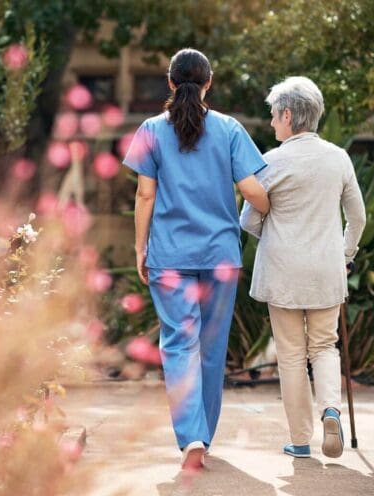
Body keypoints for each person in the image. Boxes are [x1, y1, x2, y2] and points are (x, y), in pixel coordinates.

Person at [123, 48, 270, 470]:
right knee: (211, 346)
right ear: (209, 82)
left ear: (170, 83)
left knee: (178, 344)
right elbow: (251, 188)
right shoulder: (229, 128)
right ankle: (202, 433)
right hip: (221, 255)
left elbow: (145, 194)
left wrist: (141, 248)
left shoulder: (151, 129)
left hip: (169, 255)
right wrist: (272, 209)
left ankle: (192, 436)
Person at [240, 76, 366, 459]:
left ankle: (300, 440)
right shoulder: (338, 157)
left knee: (292, 355)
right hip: (326, 270)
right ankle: (331, 409)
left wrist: (273, 234)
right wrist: (345, 253)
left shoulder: (270, 163)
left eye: (275, 116)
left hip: (282, 272)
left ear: (289, 114)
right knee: (325, 346)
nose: (273, 123)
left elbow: (249, 219)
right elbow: (357, 217)